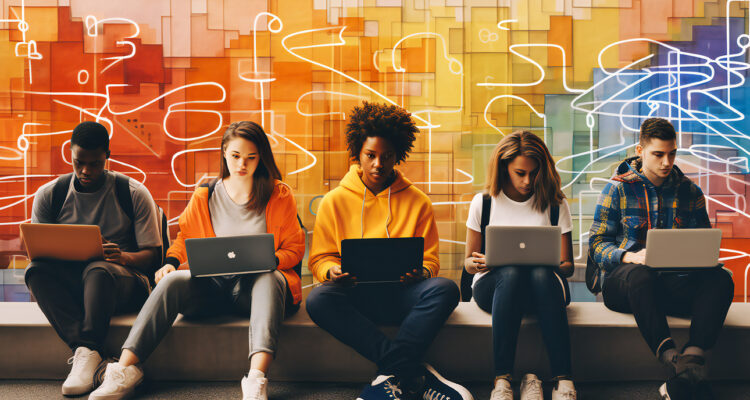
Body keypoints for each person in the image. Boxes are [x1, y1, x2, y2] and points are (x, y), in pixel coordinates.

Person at [89, 121, 305, 400]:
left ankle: (256, 379)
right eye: (236, 156)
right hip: (213, 289)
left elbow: (295, 248)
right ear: (224, 153)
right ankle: (124, 368)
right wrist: (169, 262)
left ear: (261, 157)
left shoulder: (278, 194)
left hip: (254, 293)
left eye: (251, 157)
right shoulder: (206, 193)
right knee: (173, 280)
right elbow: (184, 239)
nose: (243, 164)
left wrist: (270, 259)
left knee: (268, 275)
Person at [305, 102, 471, 400]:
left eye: (387, 156)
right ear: (358, 153)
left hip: (402, 295)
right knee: (318, 299)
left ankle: (391, 377)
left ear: (398, 156)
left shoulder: (418, 202)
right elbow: (320, 258)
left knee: (445, 289)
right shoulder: (333, 201)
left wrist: (421, 273)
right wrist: (331, 270)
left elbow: (431, 260)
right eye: (370, 155)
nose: (378, 164)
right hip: (355, 294)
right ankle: (413, 374)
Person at [589, 117, 734, 400]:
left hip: (673, 284)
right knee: (641, 275)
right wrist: (628, 256)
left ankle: (690, 361)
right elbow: (596, 245)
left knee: (721, 279)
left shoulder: (689, 191)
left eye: (672, 153)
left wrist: (704, 260)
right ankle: (672, 357)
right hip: (627, 285)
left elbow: (702, 241)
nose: (667, 162)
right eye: (658, 154)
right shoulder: (617, 188)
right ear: (640, 150)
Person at [24, 121, 162, 396]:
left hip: (122, 283)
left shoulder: (132, 193)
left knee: (98, 269)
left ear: (107, 156)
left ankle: (85, 350)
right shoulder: (50, 195)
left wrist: (123, 257)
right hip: (76, 285)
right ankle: (87, 351)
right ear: (70, 154)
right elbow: (38, 253)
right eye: (79, 162)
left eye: (95, 163)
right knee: (35, 271)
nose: (86, 170)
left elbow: (153, 256)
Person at [464, 131, 577, 400]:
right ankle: (502, 380)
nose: (528, 181)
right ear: (503, 168)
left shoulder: (555, 204)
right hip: (495, 290)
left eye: (535, 173)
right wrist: (477, 262)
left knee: (538, 272)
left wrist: (549, 261)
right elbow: (468, 263)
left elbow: (568, 266)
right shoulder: (484, 203)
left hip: (544, 289)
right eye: (520, 173)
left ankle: (564, 380)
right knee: (512, 272)